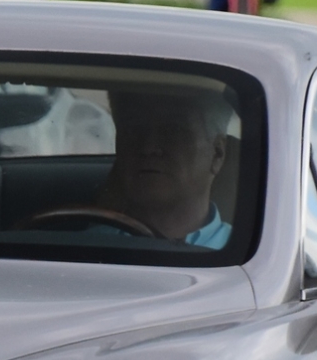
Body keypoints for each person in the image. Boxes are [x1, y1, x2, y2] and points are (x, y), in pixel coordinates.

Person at [97, 88, 234, 246]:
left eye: (173, 130)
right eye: (133, 130)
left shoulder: (252, 256)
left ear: (217, 153)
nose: (149, 147)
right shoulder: (82, 248)